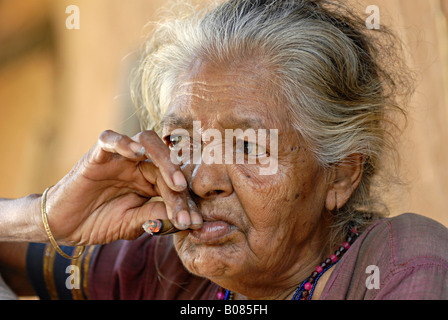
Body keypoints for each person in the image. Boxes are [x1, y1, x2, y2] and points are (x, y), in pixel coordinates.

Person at [1, 0, 447, 300]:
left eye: (248, 145)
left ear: (341, 174)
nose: (200, 180)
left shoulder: (403, 267)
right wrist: (44, 216)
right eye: (181, 141)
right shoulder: (165, 268)